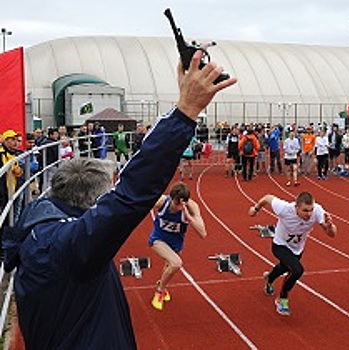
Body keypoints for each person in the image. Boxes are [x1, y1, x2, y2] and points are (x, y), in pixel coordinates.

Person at [2, 49, 237, 349]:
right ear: (91, 203)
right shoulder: (73, 246)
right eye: (105, 197)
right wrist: (186, 111)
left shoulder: (36, 223)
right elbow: (131, 194)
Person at [249, 192, 337, 316]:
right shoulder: (284, 208)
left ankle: (269, 278)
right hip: (280, 245)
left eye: (310, 210)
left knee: (284, 267)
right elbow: (268, 198)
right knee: (297, 270)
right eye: (305, 210)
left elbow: (332, 235)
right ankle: (282, 299)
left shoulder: (317, 211)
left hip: (297, 249)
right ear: (296, 207)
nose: (309, 214)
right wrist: (256, 208)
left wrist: (330, 226)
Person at [149, 182, 207, 311]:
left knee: (169, 268)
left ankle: (161, 284)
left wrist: (189, 218)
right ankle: (160, 291)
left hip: (176, 243)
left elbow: (203, 233)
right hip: (158, 239)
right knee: (176, 263)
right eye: (176, 204)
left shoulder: (192, 207)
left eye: (181, 205)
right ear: (171, 198)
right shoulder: (162, 201)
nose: (178, 208)